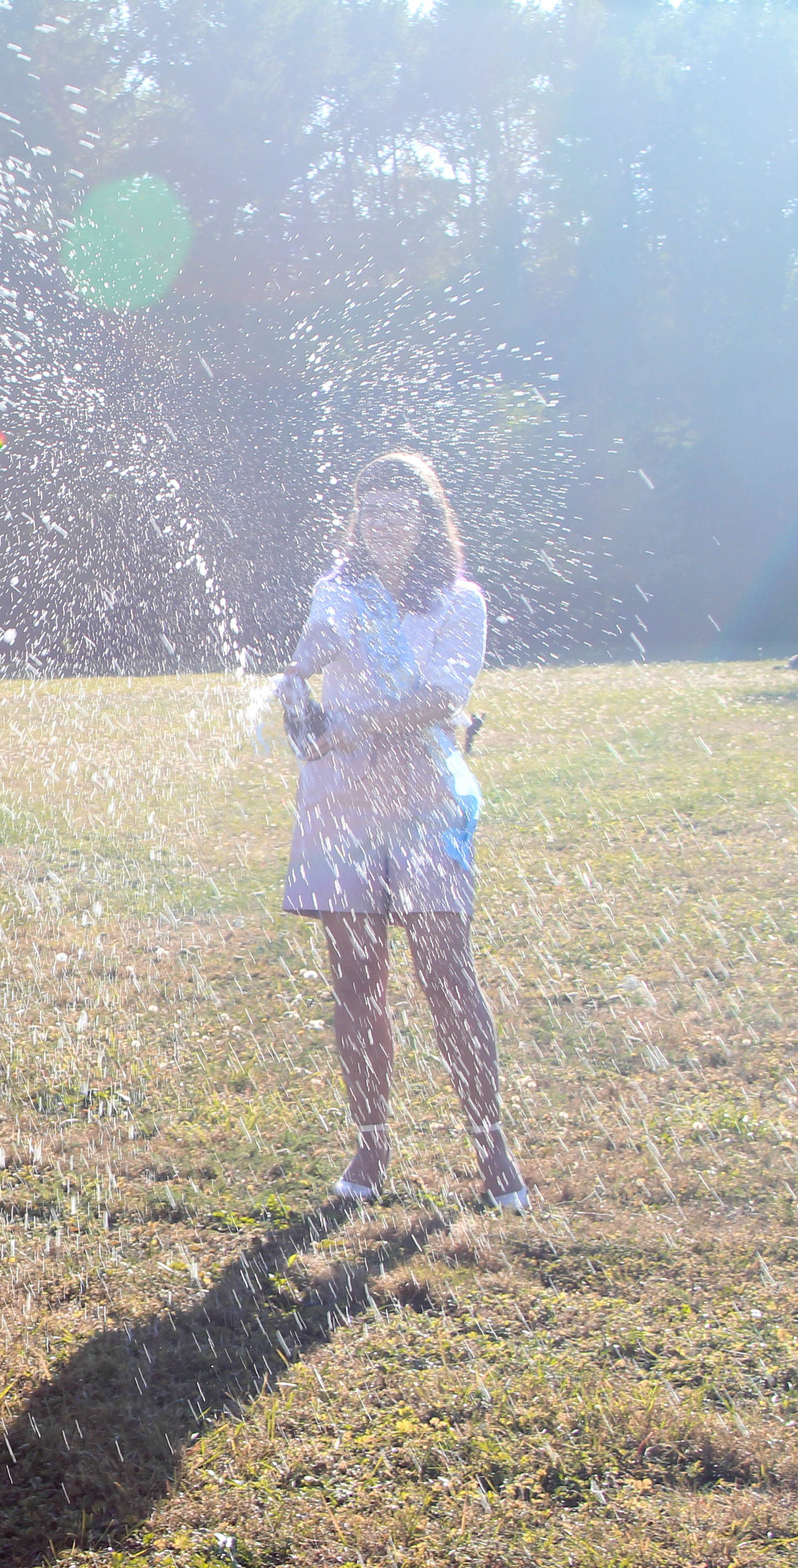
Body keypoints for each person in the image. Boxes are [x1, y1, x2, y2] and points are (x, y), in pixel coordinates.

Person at [274, 449, 529, 1210]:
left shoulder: (460, 600)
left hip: (423, 797)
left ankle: (491, 1149)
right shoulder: (337, 588)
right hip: (341, 803)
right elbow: (310, 654)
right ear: (357, 519)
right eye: (372, 509)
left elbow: (443, 694)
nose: (384, 523)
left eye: (399, 510)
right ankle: (371, 1145)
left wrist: (354, 729)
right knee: (356, 979)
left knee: (447, 971)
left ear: (427, 520)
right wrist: (292, 693)